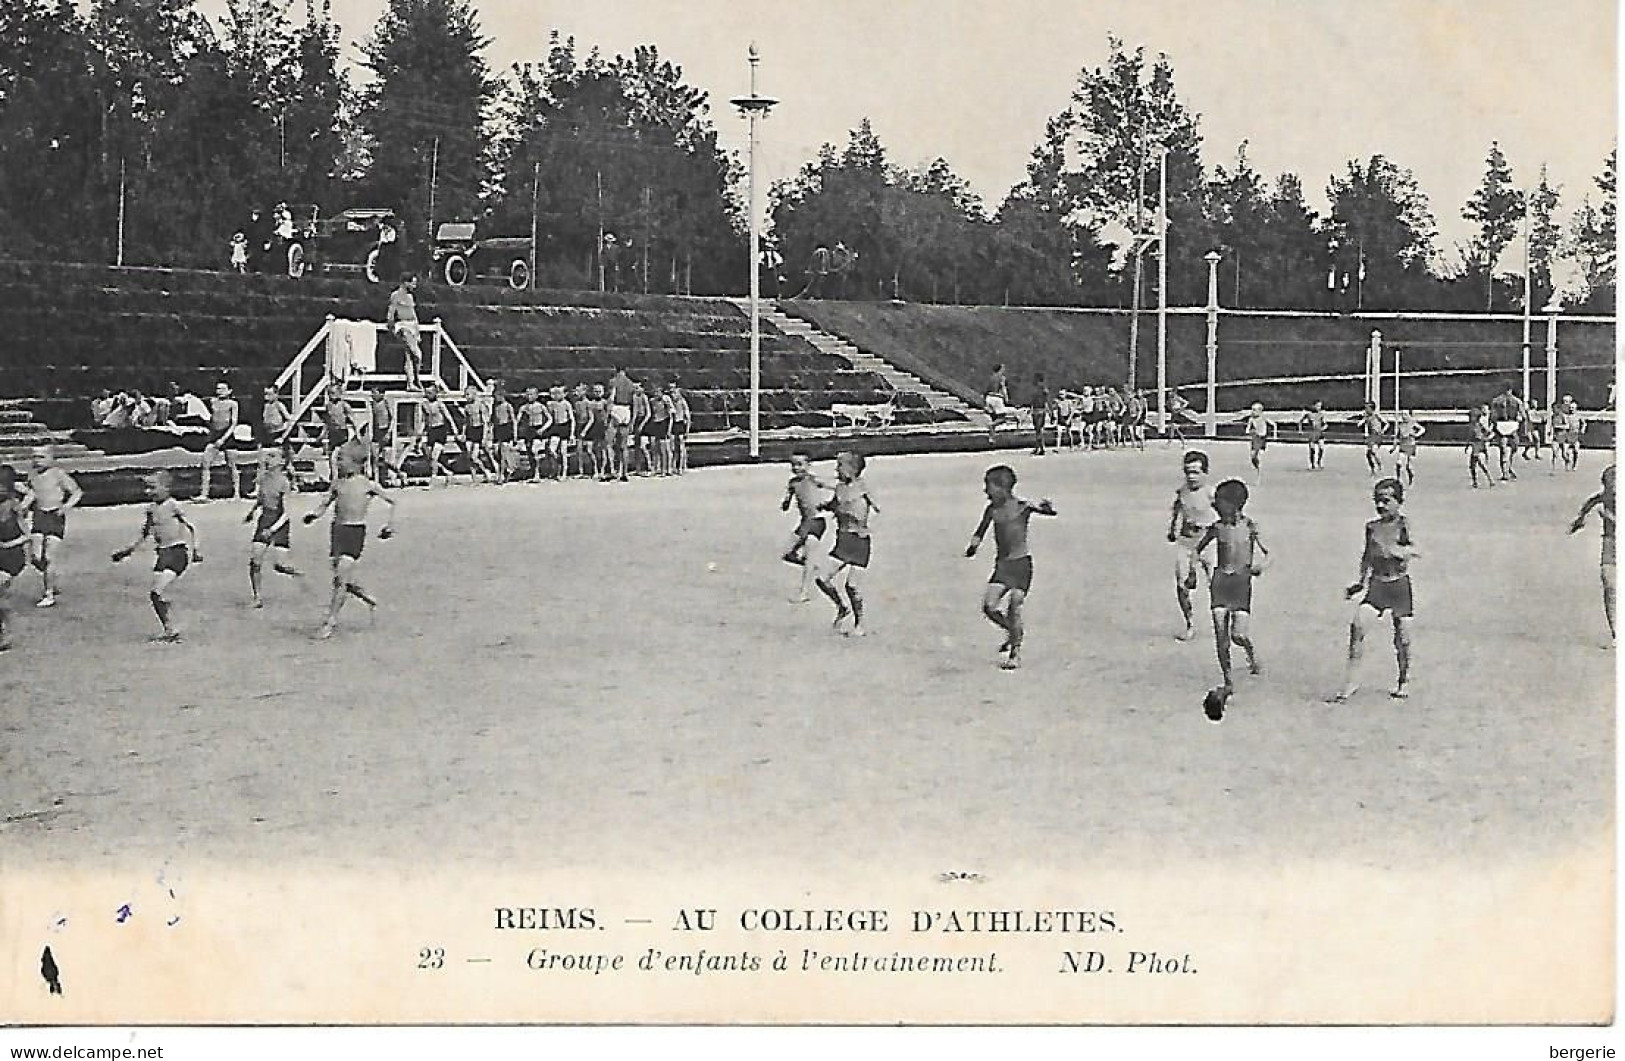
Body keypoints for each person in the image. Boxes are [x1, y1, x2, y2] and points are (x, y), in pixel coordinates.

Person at [1330, 477, 1418, 702]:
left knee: (1403, 637)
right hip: (1377, 585)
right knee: (1357, 626)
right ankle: (1351, 680)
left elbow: (1416, 549)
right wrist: (1359, 582)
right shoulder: (1371, 527)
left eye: (1386, 501)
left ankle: (1404, 679)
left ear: (1399, 502)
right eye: (1377, 501)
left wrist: (1399, 551)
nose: (1381, 505)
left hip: (1399, 586)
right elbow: (1366, 556)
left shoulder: (1403, 524)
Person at [965, 465, 1057, 670]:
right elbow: (981, 529)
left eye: (988, 487)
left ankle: (1015, 652)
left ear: (1003, 488)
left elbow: (1046, 510)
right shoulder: (992, 511)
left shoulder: (1022, 507)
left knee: (1014, 605)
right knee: (989, 606)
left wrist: (1047, 507)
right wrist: (973, 545)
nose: (985, 491)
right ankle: (1013, 631)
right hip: (1002, 567)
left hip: (1021, 565)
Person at [303, 445, 396, 640]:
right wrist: (314, 515)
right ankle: (369, 598)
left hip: (355, 532)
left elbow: (392, 502)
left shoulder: (367, 485)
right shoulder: (338, 484)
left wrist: (389, 525)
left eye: (341, 459)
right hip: (337, 531)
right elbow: (325, 503)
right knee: (342, 578)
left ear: (355, 463)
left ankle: (330, 621)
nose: (338, 463)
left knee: (340, 579)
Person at [1195, 479, 1270, 716]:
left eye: (1220, 502)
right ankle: (1228, 680)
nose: (1216, 506)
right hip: (1220, 582)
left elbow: (1269, 553)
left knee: (1238, 635)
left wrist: (1262, 566)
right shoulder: (1216, 528)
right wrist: (1201, 567)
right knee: (1220, 634)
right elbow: (1198, 550)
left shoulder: (1250, 526)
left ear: (1235, 505)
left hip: (1241, 583)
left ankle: (1250, 653)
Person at [110, 471, 199, 643]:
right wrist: (128, 550)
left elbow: (191, 527)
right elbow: (145, 534)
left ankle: (174, 626)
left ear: (166, 488)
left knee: (159, 591)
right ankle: (169, 628)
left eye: (152, 487)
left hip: (177, 552)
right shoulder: (151, 510)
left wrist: (196, 550)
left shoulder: (173, 505)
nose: (148, 492)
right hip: (162, 554)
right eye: (146, 488)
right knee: (155, 595)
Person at [813, 451, 879, 637]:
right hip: (842, 541)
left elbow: (879, 509)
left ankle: (860, 624)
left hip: (859, 542)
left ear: (851, 469)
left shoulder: (864, 488)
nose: (836, 469)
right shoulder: (839, 488)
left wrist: (869, 523)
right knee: (821, 578)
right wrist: (825, 506)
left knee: (852, 586)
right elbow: (835, 504)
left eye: (839, 465)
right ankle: (842, 608)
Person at [22, 446, 82, 608]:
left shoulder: (58, 474)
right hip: (38, 516)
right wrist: (24, 506)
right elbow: (32, 493)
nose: (37, 460)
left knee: (49, 557)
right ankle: (51, 579)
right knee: (35, 557)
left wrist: (65, 507)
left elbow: (77, 492)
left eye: (41, 457)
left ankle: (48, 594)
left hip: (55, 516)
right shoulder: (33, 475)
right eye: (34, 457)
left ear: (51, 458)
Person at [1167, 449, 1216, 642]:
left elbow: (1227, 514)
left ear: (1205, 473)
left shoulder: (1212, 493)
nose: (1191, 476)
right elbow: (1177, 510)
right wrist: (1172, 529)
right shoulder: (1182, 492)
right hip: (1186, 542)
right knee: (1182, 586)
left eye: (1196, 472)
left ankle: (1221, 624)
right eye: (1188, 472)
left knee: (1217, 586)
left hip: (1209, 543)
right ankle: (1190, 624)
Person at [244, 448, 302, 608]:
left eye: (272, 456)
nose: (267, 459)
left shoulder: (284, 482)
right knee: (255, 561)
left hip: (279, 523)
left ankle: (301, 577)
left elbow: (287, 513)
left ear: (282, 461)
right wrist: (252, 512)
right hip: (265, 520)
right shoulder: (262, 479)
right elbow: (261, 499)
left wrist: (273, 529)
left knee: (281, 565)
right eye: (267, 456)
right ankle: (257, 598)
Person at [1568, 464, 1616, 643]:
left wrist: (1609, 518)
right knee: (1609, 583)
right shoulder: (1602, 498)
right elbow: (1589, 505)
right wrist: (1578, 522)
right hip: (1611, 543)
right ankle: (1616, 633)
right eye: (1610, 487)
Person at [781, 453, 833, 604]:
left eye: (800, 464)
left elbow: (832, 486)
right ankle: (811, 566)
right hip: (804, 523)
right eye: (794, 465)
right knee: (788, 554)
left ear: (808, 465)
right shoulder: (792, 483)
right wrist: (785, 503)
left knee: (809, 552)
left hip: (817, 521)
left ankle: (804, 591)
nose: (796, 468)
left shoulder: (812, 479)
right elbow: (788, 498)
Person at [198, 381, 244, 502]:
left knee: (231, 465)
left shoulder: (233, 404)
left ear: (229, 391)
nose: (220, 391)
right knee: (205, 462)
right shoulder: (213, 402)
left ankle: (236, 493)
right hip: (214, 433)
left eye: (223, 389)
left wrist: (223, 439)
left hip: (227, 434)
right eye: (218, 389)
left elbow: (234, 422)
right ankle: (204, 493)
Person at [0, 466, 27, 649]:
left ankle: (6, 633)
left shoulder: (14, 507)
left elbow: (27, 534)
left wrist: (8, 544)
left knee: (1, 597)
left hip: (12, 556)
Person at [417, 383, 460, 487]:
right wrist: (420, 431)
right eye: (427, 392)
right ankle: (447, 472)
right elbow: (424, 420)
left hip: (440, 430)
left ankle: (433, 479)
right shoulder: (424, 404)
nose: (428, 394)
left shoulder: (440, 404)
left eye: (430, 392)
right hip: (431, 431)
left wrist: (454, 429)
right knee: (429, 457)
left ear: (435, 393)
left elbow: (448, 417)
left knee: (434, 457)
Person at [386, 273, 423, 391]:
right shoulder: (396, 295)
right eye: (413, 283)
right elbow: (391, 311)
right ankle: (417, 379)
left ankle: (411, 383)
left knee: (410, 356)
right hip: (403, 325)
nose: (414, 286)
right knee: (417, 354)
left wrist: (417, 331)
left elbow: (414, 314)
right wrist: (391, 325)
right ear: (406, 283)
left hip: (412, 326)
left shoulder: (410, 297)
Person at [1488, 384, 1525, 481]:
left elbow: (1523, 415)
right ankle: (1505, 472)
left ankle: (1508, 467)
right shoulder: (1497, 401)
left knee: (1513, 448)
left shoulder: (1516, 401)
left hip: (1511, 425)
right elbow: (1492, 415)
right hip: (1503, 425)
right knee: (1504, 449)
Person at [607, 366, 636, 482]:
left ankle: (612, 471)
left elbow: (611, 397)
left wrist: (608, 413)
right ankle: (624, 472)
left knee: (609, 443)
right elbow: (634, 402)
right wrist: (632, 421)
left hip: (617, 408)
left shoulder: (613, 381)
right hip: (626, 410)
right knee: (624, 445)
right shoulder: (631, 384)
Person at [365, 386, 399, 487]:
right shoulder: (372, 404)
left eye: (374, 393)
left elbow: (393, 419)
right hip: (376, 432)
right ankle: (376, 481)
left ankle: (398, 473)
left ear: (381, 394)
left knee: (385, 460)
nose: (372, 395)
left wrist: (389, 432)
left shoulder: (386, 402)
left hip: (385, 430)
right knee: (374, 457)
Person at [517, 387, 550, 483]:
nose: (529, 396)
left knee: (535, 451)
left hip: (538, 429)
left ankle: (537, 473)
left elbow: (550, 419)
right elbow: (517, 419)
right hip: (529, 430)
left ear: (536, 395)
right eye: (527, 394)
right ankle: (532, 471)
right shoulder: (523, 407)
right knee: (529, 452)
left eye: (531, 394)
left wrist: (543, 428)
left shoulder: (541, 406)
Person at [490, 381, 518, 483]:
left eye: (498, 396)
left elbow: (513, 420)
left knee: (503, 452)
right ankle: (509, 468)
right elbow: (493, 418)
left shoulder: (507, 406)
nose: (496, 398)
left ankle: (501, 475)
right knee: (496, 451)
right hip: (498, 429)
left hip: (506, 428)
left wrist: (515, 434)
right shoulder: (495, 406)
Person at [1391, 409, 1424, 485]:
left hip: (1410, 446)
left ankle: (1411, 477)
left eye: (1405, 414)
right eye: (1402, 414)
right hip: (1402, 446)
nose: (1403, 416)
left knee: (1408, 466)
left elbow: (1422, 429)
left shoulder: (1412, 423)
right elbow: (1397, 437)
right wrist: (1394, 447)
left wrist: (1416, 435)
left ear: (1409, 415)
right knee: (1398, 463)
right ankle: (1398, 480)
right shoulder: (1401, 425)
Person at [1240, 403, 1272, 480]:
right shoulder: (1251, 419)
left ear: (1260, 411)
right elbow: (1248, 428)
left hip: (1261, 438)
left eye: (1254, 410)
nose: (1252, 411)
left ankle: (1259, 469)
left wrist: (1273, 434)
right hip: (1255, 437)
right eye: (1252, 410)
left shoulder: (1263, 417)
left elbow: (1272, 424)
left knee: (1256, 454)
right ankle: (1257, 465)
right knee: (1252, 455)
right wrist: (1249, 431)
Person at [1467, 405, 1496, 489]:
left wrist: (1487, 438)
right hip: (1475, 446)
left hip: (1478, 445)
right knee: (1474, 465)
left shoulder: (1477, 425)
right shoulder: (1474, 425)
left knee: (1478, 464)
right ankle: (1479, 481)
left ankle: (1488, 480)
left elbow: (1481, 435)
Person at [669, 379, 692, 475]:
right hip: (673, 424)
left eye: (674, 390)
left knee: (681, 446)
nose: (672, 393)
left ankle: (682, 467)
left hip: (680, 423)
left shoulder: (682, 402)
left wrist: (687, 430)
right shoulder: (670, 401)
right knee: (673, 447)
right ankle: (674, 467)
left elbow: (688, 416)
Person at [1358, 402, 1386, 477]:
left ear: (1371, 409)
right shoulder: (1367, 417)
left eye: (1367, 408)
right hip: (1371, 436)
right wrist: (1362, 421)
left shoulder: (1377, 415)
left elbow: (1387, 424)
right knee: (1368, 454)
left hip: (1377, 435)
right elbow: (1362, 424)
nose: (1365, 410)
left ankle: (1380, 466)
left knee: (1374, 451)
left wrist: (1383, 430)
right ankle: (1373, 469)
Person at [1299, 401, 1328, 470]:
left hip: (1319, 433)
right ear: (1314, 406)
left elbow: (1326, 424)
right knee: (1312, 449)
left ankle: (1319, 461)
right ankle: (1312, 464)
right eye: (1317, 406)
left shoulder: (1321, 414)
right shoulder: (1309, 414)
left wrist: (1323, 428)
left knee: (1321, 448)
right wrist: (1300, 430)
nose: (1319, 407)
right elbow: (1300, 421)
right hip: (1312, 434)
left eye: (1320, 406)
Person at [985, 363, 1010, 442]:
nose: (1004, 370)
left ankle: (991, 437)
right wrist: (1006, 398)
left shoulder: (991, 377)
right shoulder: (1002, 378)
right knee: (1002, 418)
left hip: (989, 397)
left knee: (994, 417)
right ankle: (990, 426)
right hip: (997, 398)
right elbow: (1003, 388)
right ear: (1000, 369)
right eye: (1003, 368)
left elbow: (987, 389)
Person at [1029, 373, 1050, 457]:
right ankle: (1039, 447)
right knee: (1039, 430)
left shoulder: (1036, 389)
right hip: (1039, 410)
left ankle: (1040, 448)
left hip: (1037, 410)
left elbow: (1043, 401)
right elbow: (1046, 402)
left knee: (1038, 430)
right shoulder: (1043, 389)